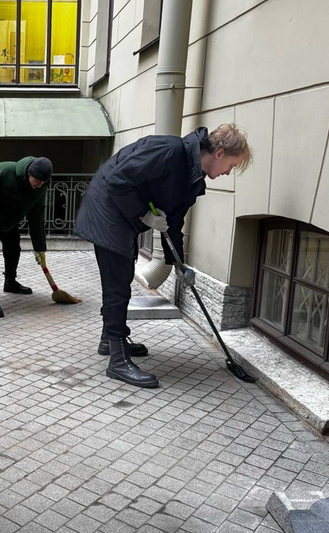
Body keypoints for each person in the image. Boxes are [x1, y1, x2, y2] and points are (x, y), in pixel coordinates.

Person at [75, 123, 252, 389]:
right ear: (219, 153)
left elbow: (174, 222)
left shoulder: (193, 178)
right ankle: (118, 361)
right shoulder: (168, 152)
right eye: (231, 165)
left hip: (124, 219)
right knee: (118, 285)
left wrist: (179, 263)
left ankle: (109, 341)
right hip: (107, 213)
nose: (228, 172)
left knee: (121, 279)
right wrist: (143, 213)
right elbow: (117, 181)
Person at [0, 156, 52, 318]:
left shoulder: (39, 188)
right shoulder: (3, 171)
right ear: (28, 173)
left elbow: (37, 219)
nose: (39, 184)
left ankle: (10, 282)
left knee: (13, 249)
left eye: (43, 182)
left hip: (10, 220)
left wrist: (40, 249)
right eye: (37, 180)